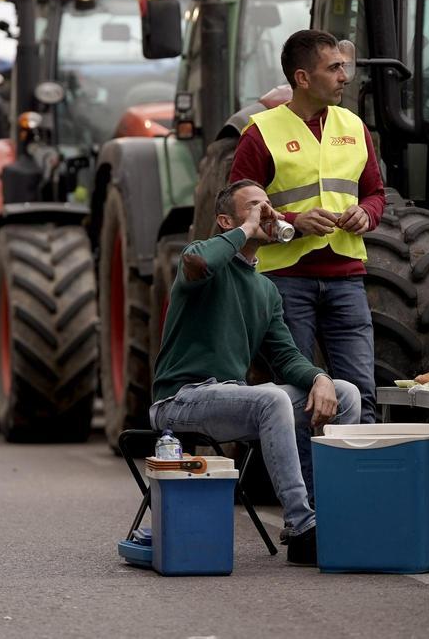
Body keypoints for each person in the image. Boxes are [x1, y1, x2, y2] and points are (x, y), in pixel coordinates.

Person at [150, 179, 361, 566]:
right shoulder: (201, 258)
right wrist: (246, 227)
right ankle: (300, 528)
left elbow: (287, 359)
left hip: (232, 400)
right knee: (271, 398)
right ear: (225, 220)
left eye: (266, 205)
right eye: (252, 206)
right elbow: (198, 263)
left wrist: (319, 378)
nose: (264, 212)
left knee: (346, 392)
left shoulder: (265, 290)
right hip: (180, 400)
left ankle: (334, 518)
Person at [229, 29, 386, 424]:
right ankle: (302, 488)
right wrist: (295, 223)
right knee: (297, 399)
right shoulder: (260, 133)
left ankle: (356, 483)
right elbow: (238, 212)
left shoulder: (353, 127)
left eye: (343, 67)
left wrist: (366, 213)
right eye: (333, 68)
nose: (343, 77)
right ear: (302, 78)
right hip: (285, 283)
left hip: (347, 280)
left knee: (360, 395)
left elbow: (376, 193)